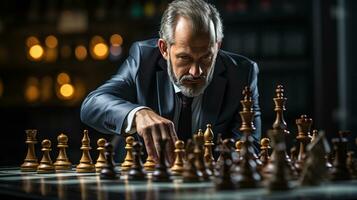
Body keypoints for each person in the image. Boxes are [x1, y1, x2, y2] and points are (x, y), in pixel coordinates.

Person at [80, 0, 261, 164]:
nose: (196, 71)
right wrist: (137, 114)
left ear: (217, 46)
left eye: (206, 58)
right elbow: (92, 104)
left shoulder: (242, 73)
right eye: (184, 58)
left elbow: (249, 145)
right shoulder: (144, 59)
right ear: (164, 49)